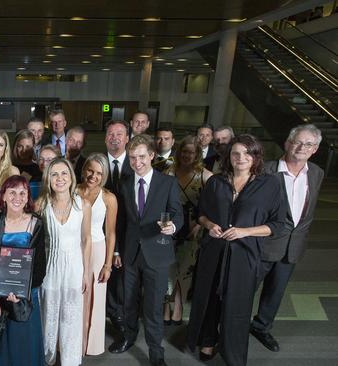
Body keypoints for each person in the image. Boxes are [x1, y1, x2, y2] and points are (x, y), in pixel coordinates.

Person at [187, 134, 286, 365]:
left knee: (237, 306)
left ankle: (232, 351)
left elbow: (278, 225)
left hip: (245, 255)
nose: (241, 158)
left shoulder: (270, 184)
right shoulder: (215, 182)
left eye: (247, 153)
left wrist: (245, 231)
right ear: (228, 156)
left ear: (256, 156)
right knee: (210, 299)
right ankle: (208, 341)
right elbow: (200, 214)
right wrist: (209, 225)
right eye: (235, 153)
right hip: (214, 252)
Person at [108, 135, 183, 366]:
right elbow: (119, 222)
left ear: (151, 155)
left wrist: (173, 226)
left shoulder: (167, 183)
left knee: (152, 306)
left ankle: (155, 351)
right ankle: (129, 337)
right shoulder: (124, 183)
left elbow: (177, 213)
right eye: (132, 157)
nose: (137, 162)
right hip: (130, 253)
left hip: (157, 253)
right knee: (128, 302)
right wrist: (117, 251)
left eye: (141, 156)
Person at [251, 125, 324, 352]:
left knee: (276, 292)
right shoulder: (265, 170)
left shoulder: (316, 173)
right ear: (287, 143)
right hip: (262, 245)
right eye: (298, 142)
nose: (302, 147)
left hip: (292, 247)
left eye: (309, 144)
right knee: (244, 290)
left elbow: (306, 212)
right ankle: (229, 327)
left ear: (315, 149)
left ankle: (261, 327)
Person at [0, 175, 47, 365]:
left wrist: (20, 294)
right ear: (4, 197)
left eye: (22, 193)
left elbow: (40, 267)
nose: (17, 197)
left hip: (25, 295)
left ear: (27, 197)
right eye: (12, 192)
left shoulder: (36, 223)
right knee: (0, 344)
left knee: (24, 344)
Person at [37, 158, 92, 366]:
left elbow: (86, 240)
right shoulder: (41, 204)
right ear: (48, 179)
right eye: (54, 174)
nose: (59, 179)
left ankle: (70, 361)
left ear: (71, 177)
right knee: (48, 317)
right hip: (50, 267)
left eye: (64, 174)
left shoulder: (83, 204)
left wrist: (86, 273)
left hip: (74, 267)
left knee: (71, 319)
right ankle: (47, 359)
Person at [162, 136, 212, 326]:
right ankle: (165, 306)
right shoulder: (168, 172)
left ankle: (179, 306)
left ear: (197, 154)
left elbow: (211, 207)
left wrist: (200, 224)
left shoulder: (205, 176)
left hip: (193, 229)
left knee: (185, 270)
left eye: (191, 152)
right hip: (171, 228)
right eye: (184, 151)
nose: (187, 155)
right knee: (168, 269)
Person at [77, 153, 117, 356]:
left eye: (99, 173)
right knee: (75, 295)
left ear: (104, 175)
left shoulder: (109, 198)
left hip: (99, 250)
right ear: (84, 169)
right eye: (90, 170)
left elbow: (111, 233)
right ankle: (72, 341)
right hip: (75, 249)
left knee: (96, 298)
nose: (93, 176)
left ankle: (90, 345)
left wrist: (108, 265)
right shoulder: (72, 191)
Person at [102, 120, 133, 332]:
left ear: (127, 138)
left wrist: (118, 248)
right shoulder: (96, 165)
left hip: (129, 237)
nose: (114, 137)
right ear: (105, 138)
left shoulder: (136, 165)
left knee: (123, 286)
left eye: (119, 133)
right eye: (110, 133)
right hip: (100, 234)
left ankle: (122, 325)